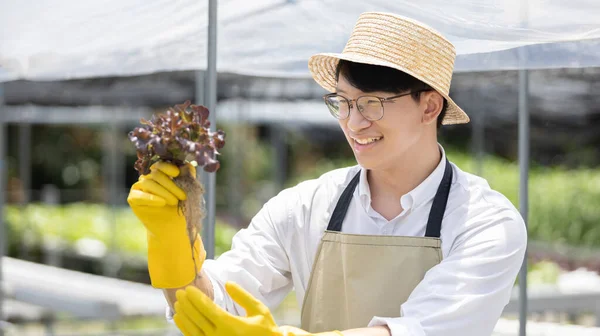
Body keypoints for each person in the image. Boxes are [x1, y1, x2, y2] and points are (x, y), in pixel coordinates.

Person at [127, 12, 527, 336]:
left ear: (429, 107)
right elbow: (213, 306)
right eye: (343, 103)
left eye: (371, 103)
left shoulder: (486, 222)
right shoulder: (304, 206)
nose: (353, 124)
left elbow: (419, 331)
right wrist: (171, 249)